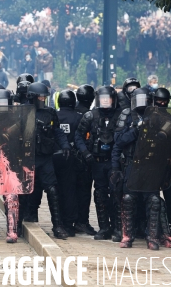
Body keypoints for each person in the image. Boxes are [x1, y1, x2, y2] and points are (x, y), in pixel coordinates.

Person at [112, 87, 171, 250]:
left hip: (151, 163)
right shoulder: (127, 115)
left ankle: (152, 236)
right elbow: (118, 141)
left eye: (145, 100)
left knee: (153, 200)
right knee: (128, 199)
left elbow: (169, 139)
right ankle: (127, 235)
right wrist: (135, 130)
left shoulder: (158, 116)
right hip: (132, 163)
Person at [23, 82, 71, 239]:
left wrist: (64, 145)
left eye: (44, 97)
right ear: (32, 97)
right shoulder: (22, 112)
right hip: (27, 158)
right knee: (25, 191)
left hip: (45, 158)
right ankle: (20, 221)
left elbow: (57, 131)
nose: (43, 99)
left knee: (52, 190)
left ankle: (57, 226)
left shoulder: (50, 113)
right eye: (40, 97)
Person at [74, 86, 121, 241]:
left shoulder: (120, 116)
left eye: (109, 99)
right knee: (100, 194)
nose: (106, 102)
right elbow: (78, 136)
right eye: (103, 99)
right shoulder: (90, 116)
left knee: (116, 193)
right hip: (97, 161)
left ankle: (117, 227)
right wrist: (85, 153)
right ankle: (104, 227)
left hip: (114, 162)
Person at [54, 90, 81, 237]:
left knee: (55, 191)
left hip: (53, 157)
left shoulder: (54, 116)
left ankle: (58, 223)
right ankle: (69, 224)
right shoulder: (78, 117)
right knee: (70, 191)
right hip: (71, 157)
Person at [73, 84, 96, 236]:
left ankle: (69, 220)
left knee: (70, 191)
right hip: (85, 158)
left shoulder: (71, 112)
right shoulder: (89, 115)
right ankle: (82, 221)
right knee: (84, 192)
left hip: (69, 157)